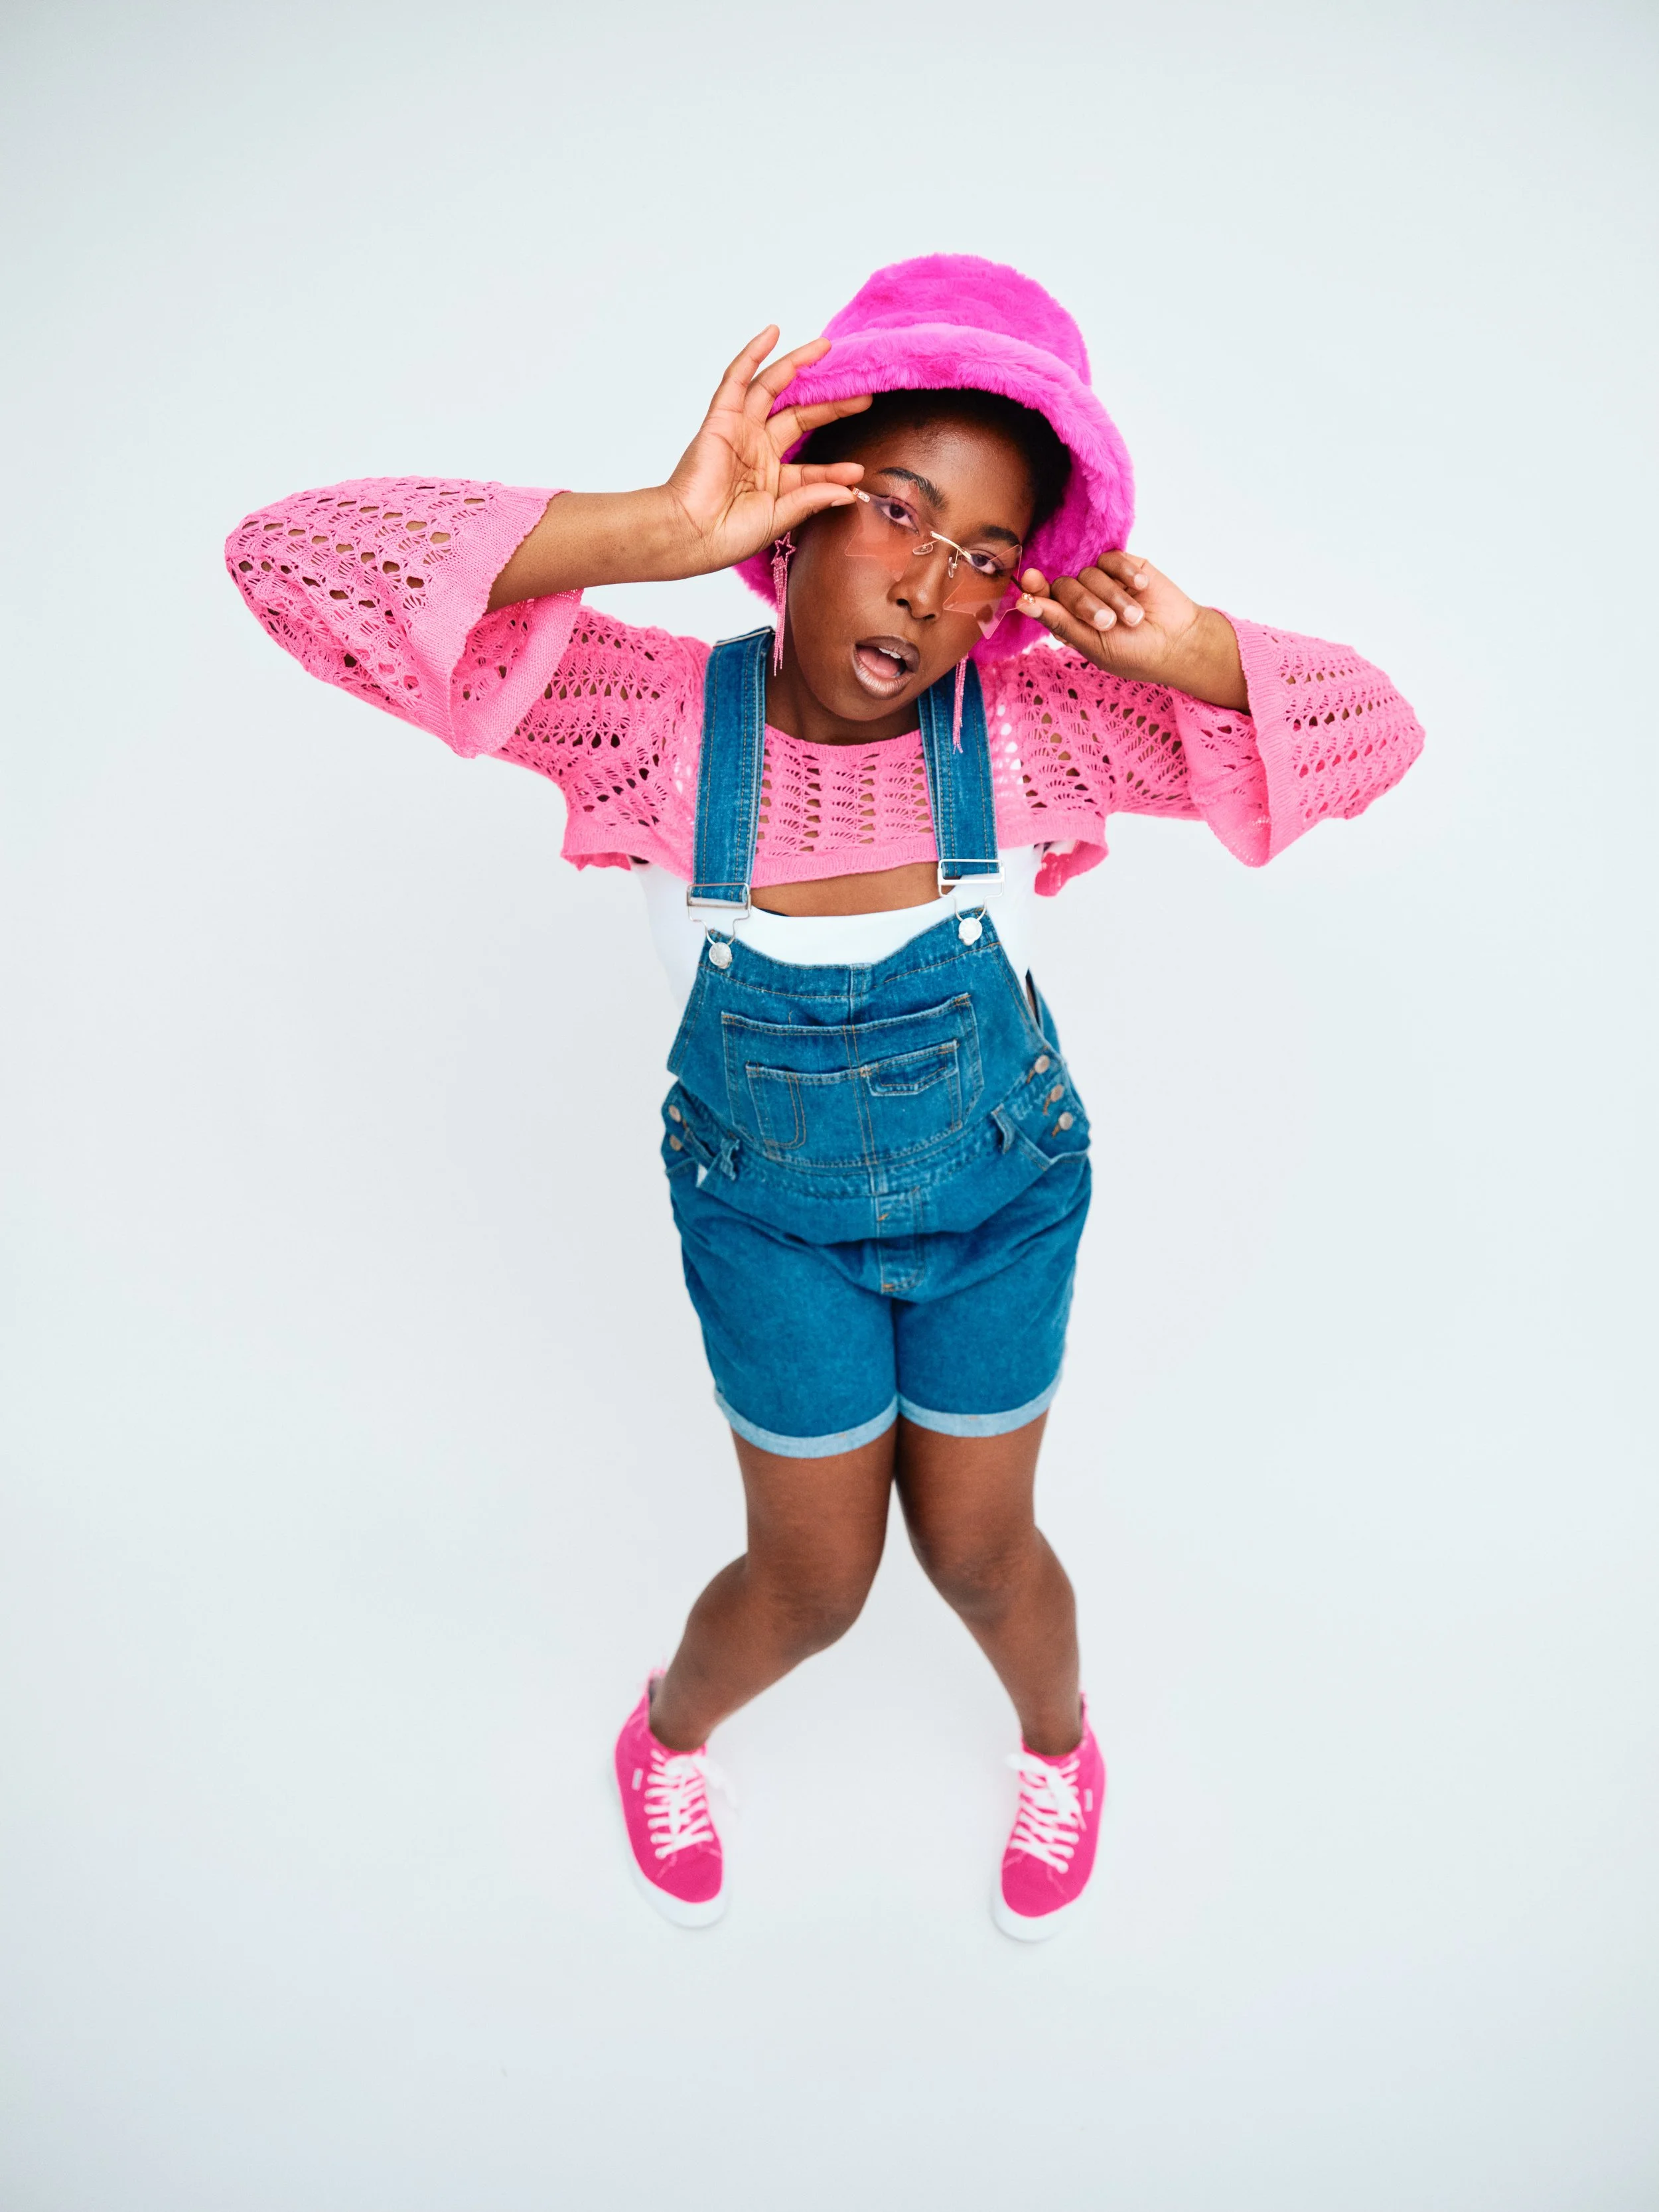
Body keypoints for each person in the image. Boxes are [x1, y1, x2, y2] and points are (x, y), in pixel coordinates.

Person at [226, 254, 1423, 1940]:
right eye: (897, 512)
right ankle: (665, 1727)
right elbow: (290, 564)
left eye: (986, 556)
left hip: (1000, 1204)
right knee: (815, 1583)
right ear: (794, 510)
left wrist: (1202, 650)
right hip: (766, 1228)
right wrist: (648, 526)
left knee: (982, 1559)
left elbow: (1377, 736)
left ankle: (1062, 1747)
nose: (932, 588)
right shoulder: (642, 717)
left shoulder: (1032, 730)